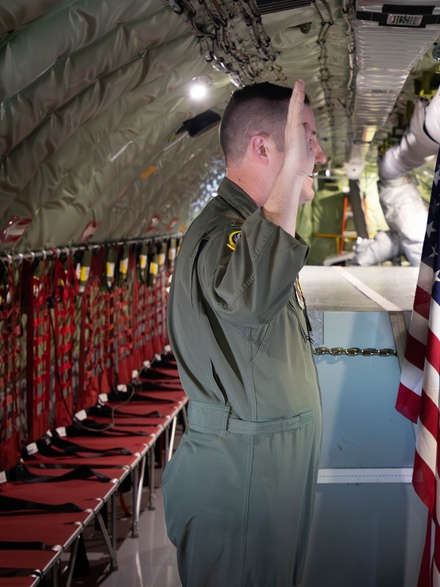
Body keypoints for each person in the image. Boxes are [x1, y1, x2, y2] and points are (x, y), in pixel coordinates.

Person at [163, 80, 327, 586]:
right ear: (262, 147)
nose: (317, 153)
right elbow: (247, 294)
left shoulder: (247, 228)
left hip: (264, 480)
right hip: (242, 484)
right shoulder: (223, 235)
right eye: (306, 138)